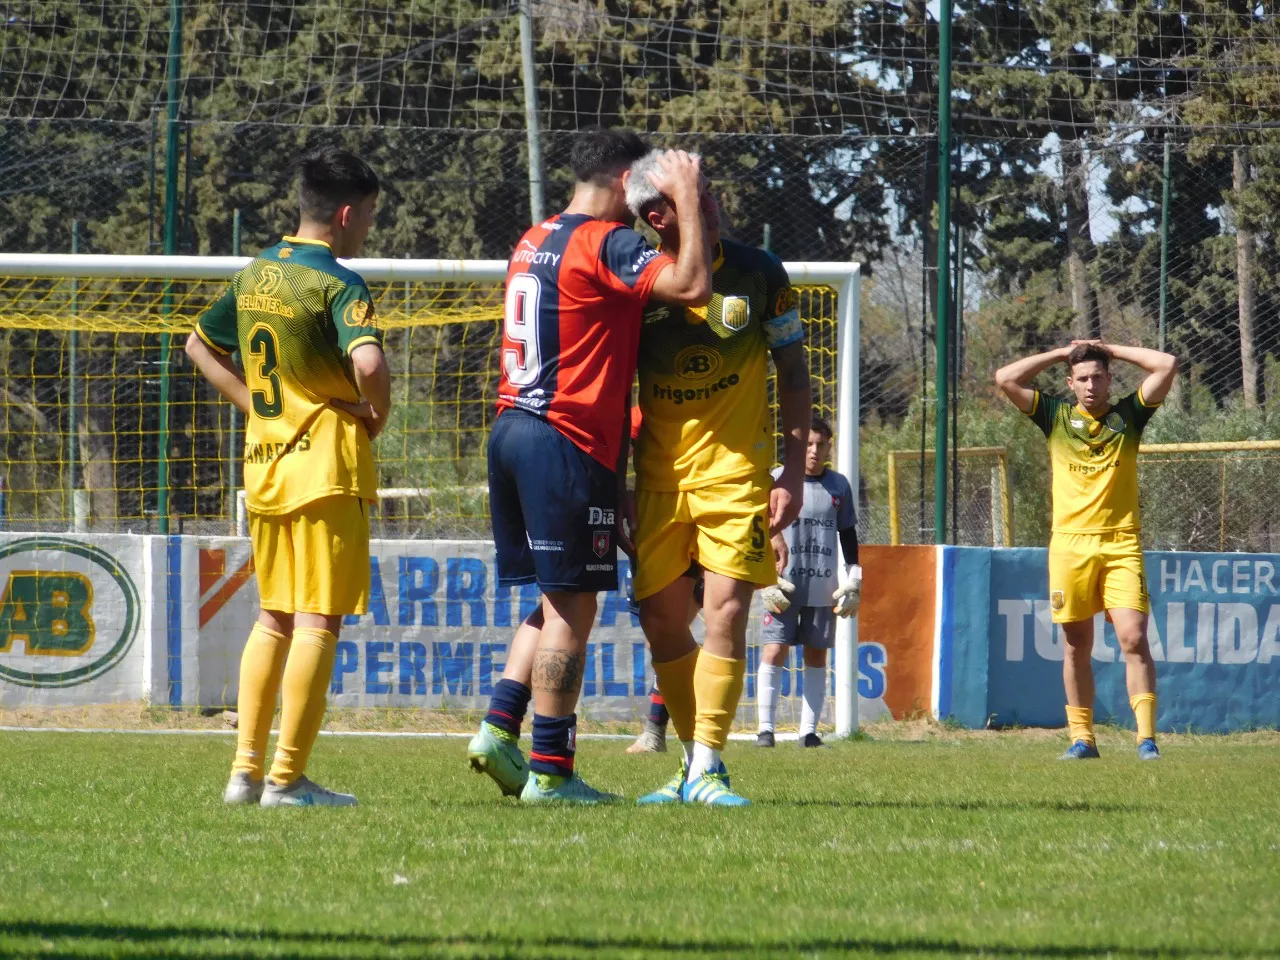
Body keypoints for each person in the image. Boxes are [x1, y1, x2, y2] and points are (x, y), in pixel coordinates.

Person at [467, 129, 712, 804]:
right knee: (574, 609)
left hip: (512, 428)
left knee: (554, 599)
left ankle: (498, 729)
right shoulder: (608, 242)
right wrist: (688, 196)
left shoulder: (534, 237)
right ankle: (552, 770)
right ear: (627, 179)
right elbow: (692, 285)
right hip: (564, 440)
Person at [186, 147, 391, 807]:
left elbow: (197, 344)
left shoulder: (257, 273)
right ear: (346, 214)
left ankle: (244, 774)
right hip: (326, 464)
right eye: (370, 215)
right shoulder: (338, 282)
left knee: (272, 618)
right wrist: (376, 414)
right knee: (317, 621)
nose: (369, 228)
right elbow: (369, 364)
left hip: (266, 464)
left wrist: (257, 407)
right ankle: (286, 780)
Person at [625, 153, 812, 807]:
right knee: (662, 622)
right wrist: (615, 480)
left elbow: (794, 373)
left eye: (707, 189)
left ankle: (709, 763)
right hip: (658, 478)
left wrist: (791, 469)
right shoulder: (638, 280)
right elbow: (614, 387)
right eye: (694, 194)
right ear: (659, 216)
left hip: (736, 475)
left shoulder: (760, 273)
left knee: (727, 609)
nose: (713, 202)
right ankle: (689, 763)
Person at [995, 339, 1177, 760]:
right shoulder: (1055, 417)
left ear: (1110, 380)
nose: (1091, 385)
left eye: (1098, 377)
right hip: (1070, 545)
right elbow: (1005, 378)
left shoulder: (1129, 417)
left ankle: (1146, 739)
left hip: (1120, 541)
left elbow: (1166, 365)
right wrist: (1061, 352)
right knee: (1076, 642)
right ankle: (1082, 739)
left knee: (1133, 637)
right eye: (1082, 379)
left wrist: (1108, 347)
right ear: (1070, 383)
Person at [756, 415, 861, 748]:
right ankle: (765, 729)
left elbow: (848, 533)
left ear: (829, 447)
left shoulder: (839, 486)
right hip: (782, 585)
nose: (815, 451)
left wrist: (854, 576)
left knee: (816, 655)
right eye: (809, 444)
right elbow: (758, 528)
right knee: (775, 650)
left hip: (822, 587)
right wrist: (765, 578)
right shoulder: (776, 480)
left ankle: (809, 732)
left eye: (821, 444)